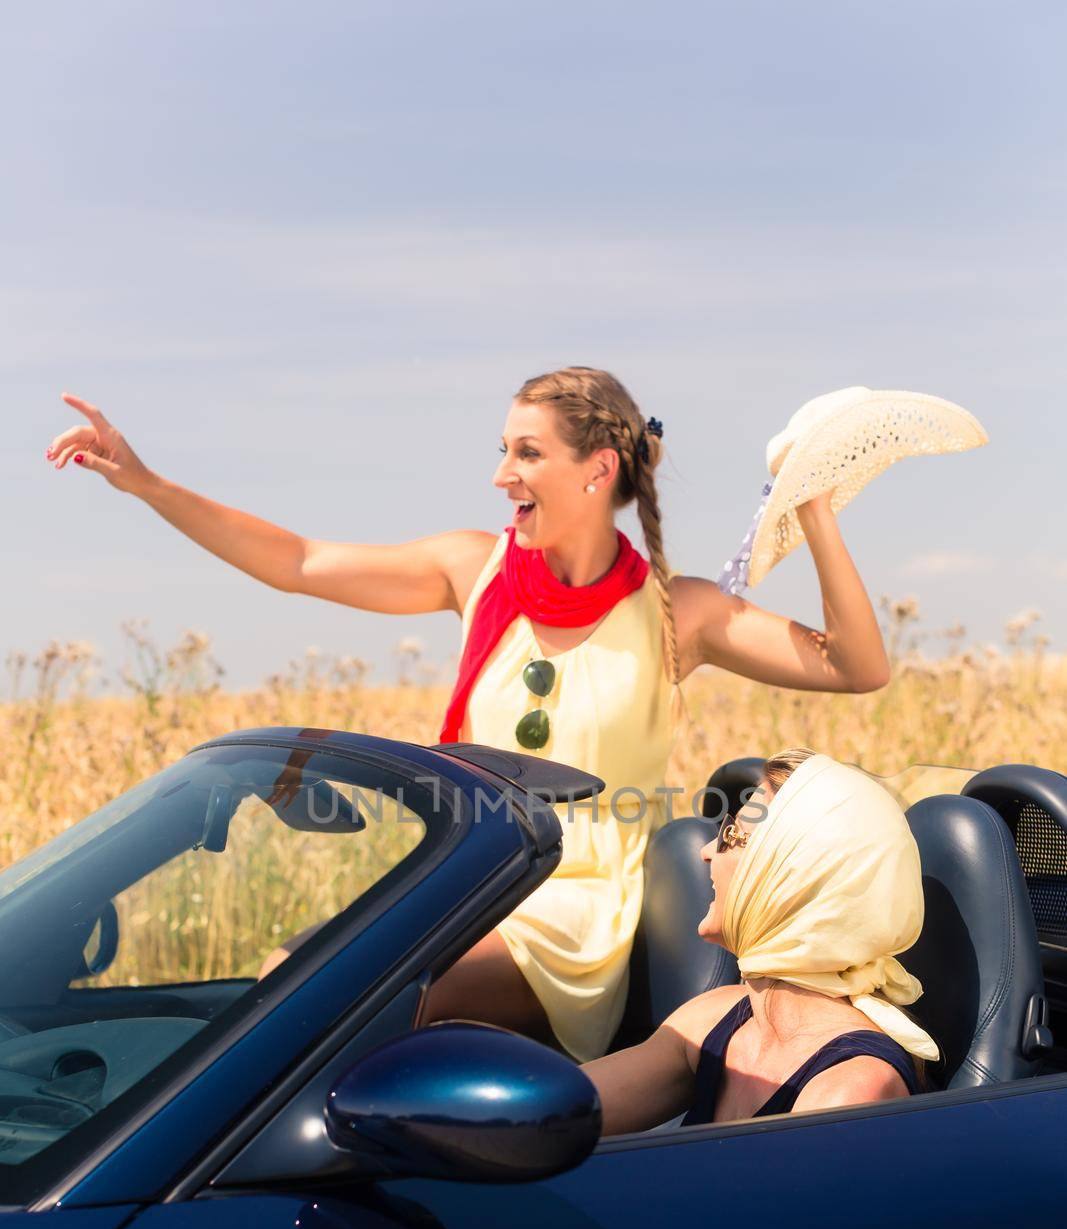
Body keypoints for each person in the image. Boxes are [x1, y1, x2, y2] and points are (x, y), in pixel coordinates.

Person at [46, 372, 891, 1060]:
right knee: (290, 979)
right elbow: (298, 562)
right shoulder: (469, 569)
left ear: (596, 470)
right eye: (502, 451)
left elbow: (855, 666)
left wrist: (811, 508)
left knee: (320, 1000)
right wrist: (147, 484)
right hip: (462, 881)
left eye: (526, 453)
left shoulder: (680, 612)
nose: (501, 475)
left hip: (574, 906)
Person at [583, 748, 941, 1129]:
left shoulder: (849, 1088)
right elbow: (555, 1111)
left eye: (730, 836)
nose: (707, 852)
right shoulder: (715, 1018)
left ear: (787, 880)